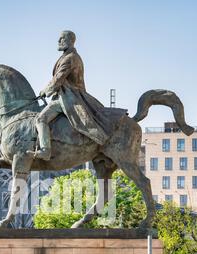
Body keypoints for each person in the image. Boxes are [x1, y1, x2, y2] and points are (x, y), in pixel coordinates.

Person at [28, 31, 127, 161]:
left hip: (69, 97)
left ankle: (45, 150)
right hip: (66, 95)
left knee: (40, 119)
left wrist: (46, 90)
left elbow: (58, 79)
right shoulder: (68, 56)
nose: (58, 40)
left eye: (61, 38)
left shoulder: (71, 58)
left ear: (69, 41)